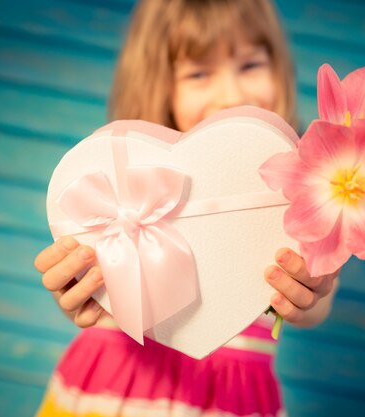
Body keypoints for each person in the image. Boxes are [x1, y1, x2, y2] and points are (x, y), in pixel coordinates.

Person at [34, 0, 338, 416]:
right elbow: (85, 272)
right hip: (111, 391)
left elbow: (319, 301)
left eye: (249, 65)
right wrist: (77, 290)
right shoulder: (125, 185)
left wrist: (310, 294)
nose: (232, 93)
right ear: (159, 83)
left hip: (231, 402)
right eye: (199, 73)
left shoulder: (304, 189)